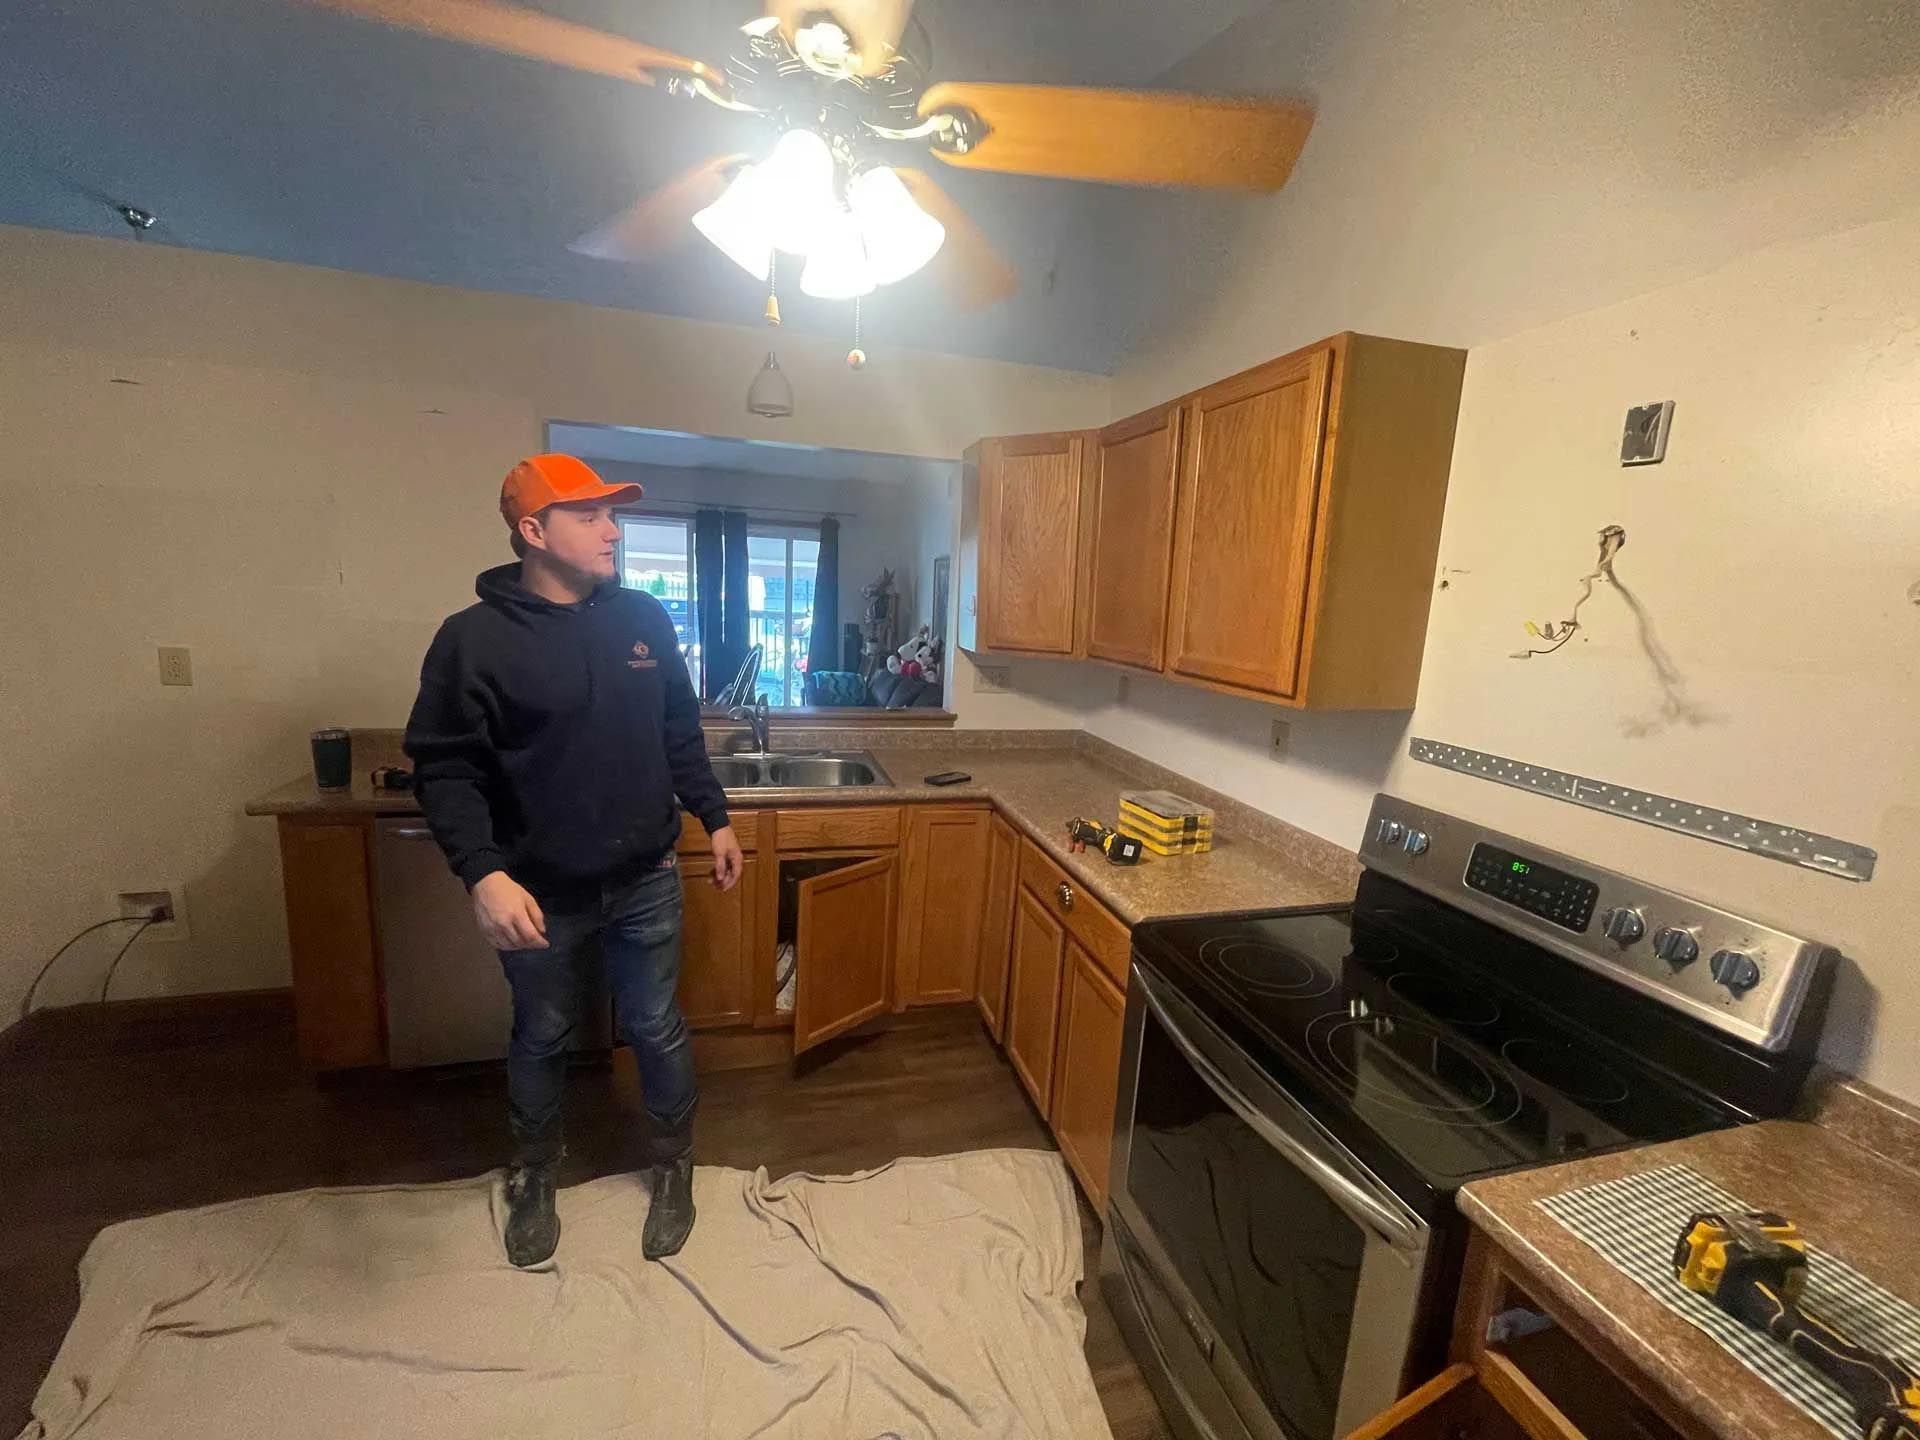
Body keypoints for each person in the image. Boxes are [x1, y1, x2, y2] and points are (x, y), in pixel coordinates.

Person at [404, 453, 743, 1267]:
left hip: (647, 877)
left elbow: (677, 730)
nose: (612, 530)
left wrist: (715, 816)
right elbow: (444, 769)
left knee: (655, 1025)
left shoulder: (644, 618)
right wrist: (483, 872)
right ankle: (535, 1172)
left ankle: (674, 1166)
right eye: (589, 515)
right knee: (543, 1032)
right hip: (539, 890)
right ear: (533, 530)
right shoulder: (471, 640)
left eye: (612, 514)